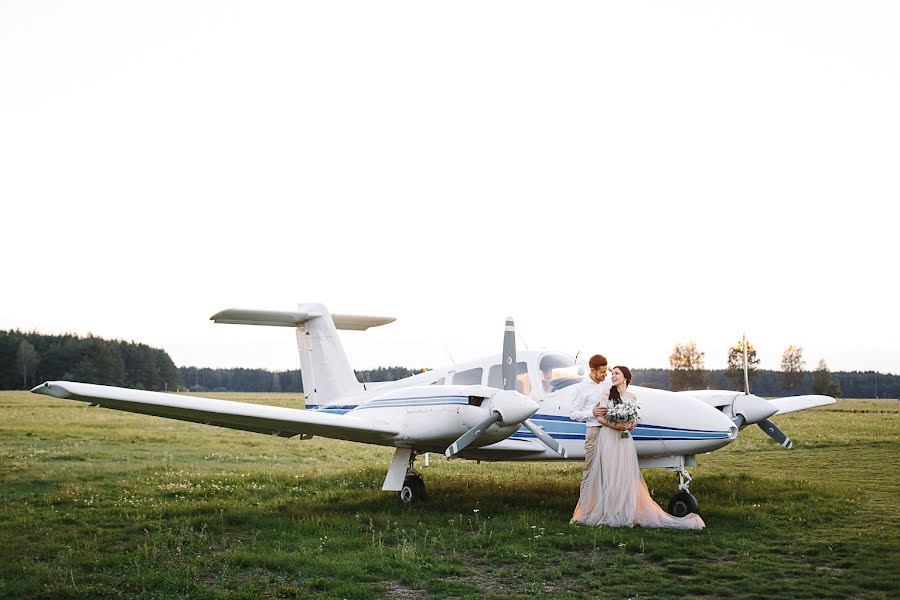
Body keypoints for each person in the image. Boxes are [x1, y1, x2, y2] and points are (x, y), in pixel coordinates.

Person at [571, 365, 705, 529]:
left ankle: (626, 510)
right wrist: (618, 426)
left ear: (625, 377)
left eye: (616, 373)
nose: (612, 376)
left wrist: (632, 423)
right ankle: (608, 511)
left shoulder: (632, 397)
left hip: (624, 440)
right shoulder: (606, 394)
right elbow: (600, 419)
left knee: (624, 475)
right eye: (611, 373)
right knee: (608, 474)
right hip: (608, 438)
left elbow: (634, 418)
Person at [569, 354, 613, 513]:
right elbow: (573, 413)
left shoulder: (608, 383)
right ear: (592, 370)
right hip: (593, 432)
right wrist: (592, 412)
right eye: (602, 372)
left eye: (605, 371)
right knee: (590, 470)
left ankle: (607, 506)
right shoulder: (580, 388)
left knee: (608, 469)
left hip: (610, 431)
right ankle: (586, 509)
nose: (605, 375)